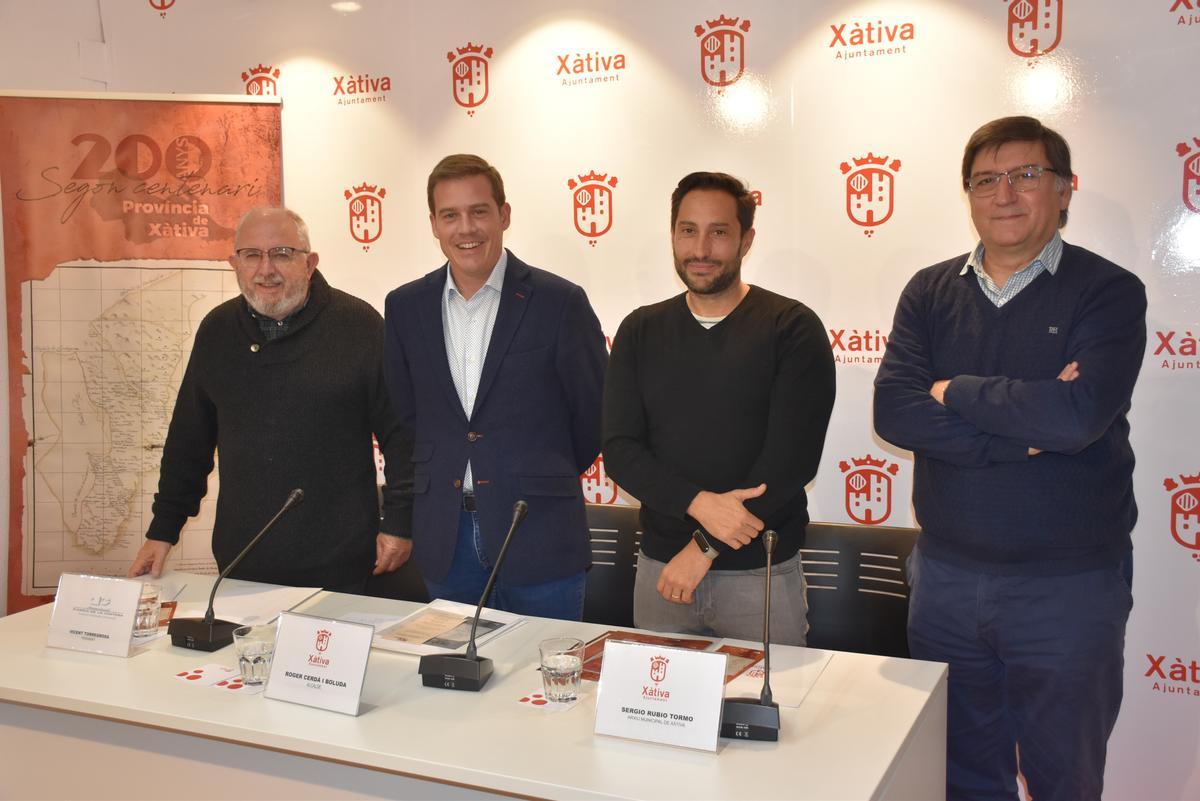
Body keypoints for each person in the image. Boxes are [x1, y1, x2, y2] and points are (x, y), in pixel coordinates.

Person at [873, 116, 1145, 800]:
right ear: (968, 194)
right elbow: (895, 410)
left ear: (1064, 190)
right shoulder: (930, 292)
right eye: (986, 179)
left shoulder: (1108, 292)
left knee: (1065, 777)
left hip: (1068, 589)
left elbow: (1078, 416)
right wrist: (1016, 434)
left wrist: (955, 392)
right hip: (947, 581)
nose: (1005, 194)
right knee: (961, 773)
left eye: (1026, 175)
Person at [602, 171, 835, 645]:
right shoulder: (639, 331)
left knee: (772, 715)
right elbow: (621, 450)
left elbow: (790, 464)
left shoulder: (791, 328)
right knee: (657, 716)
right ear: (672, 235)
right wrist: (699, 506)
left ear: (746, 240)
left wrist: (703, 547)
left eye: (719, 232)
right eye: (688, 230)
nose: (701, 249)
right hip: (661, 572)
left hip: (759, 575)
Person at [127, 207, 412, 592]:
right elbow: (187, 443)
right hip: (242, 564)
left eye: (281, 253)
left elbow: (402, 437)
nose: (266, 270)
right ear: (234, 264)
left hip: (343, 566)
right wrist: (163, 531)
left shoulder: (360, 326)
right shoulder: (217, 332)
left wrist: (399, 523)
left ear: (309, 263)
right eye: (252, 255)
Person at [383, 154, 607, 620]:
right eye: (451, 215)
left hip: (539, 528)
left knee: (548, 681)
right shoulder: (405, 307)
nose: (466, 228)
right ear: (434, 224)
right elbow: (404, 422)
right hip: (445, 535)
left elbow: (595, 416)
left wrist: (535, 475)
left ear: (503, 215)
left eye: (479, 211)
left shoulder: (559, 302)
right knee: (456, 686)